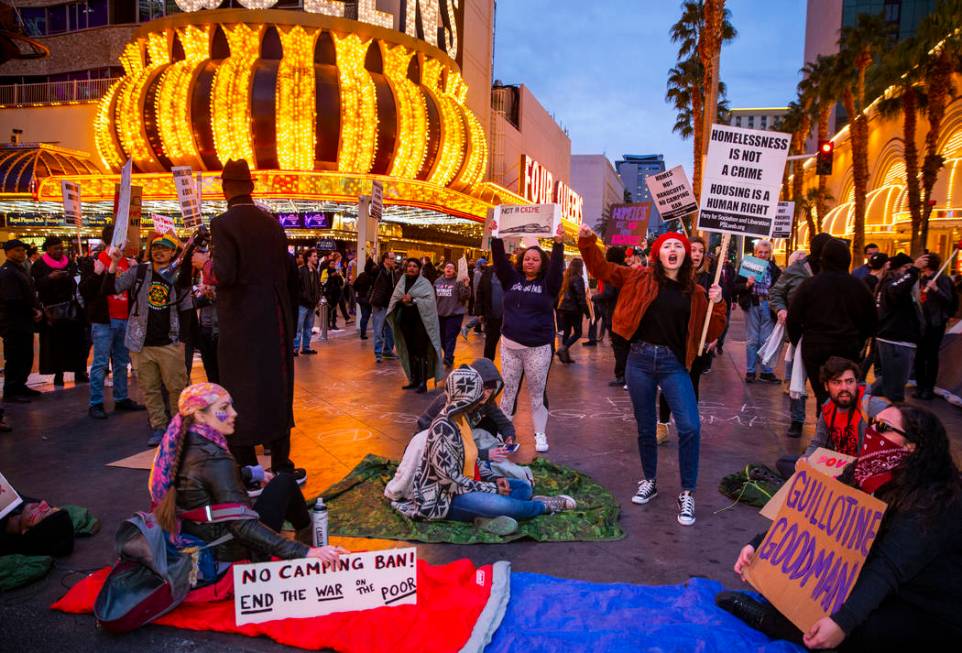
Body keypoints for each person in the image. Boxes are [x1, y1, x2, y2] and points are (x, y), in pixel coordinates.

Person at [720, 403, 962, 651]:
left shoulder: (936, 500)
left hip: (924, 607)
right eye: (872, 423)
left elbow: (889, 566)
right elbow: (814, 517)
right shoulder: (865, 470)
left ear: (912, 446)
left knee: (860, 629)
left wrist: (844, 622)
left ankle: (769, 622)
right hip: (879, 582)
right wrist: (760, 544)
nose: (871, 432)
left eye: (883, 427)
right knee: (804, 589)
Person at [579, 225, 725, 526]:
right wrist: (586, 240)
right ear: (658, 253)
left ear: (687, 256)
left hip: (674, 365)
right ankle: (649, 480)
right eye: (667, 246)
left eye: (679, 246)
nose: (673, 250)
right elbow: (601, 268)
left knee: (690, 427)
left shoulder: (697, 293)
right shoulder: (638, 277)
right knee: (646, 428)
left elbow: (710, 332)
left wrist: (718, 303)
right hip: (640, 361)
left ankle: (687, 492)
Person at [149, 383, 346, 567]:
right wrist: (304, 552)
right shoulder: (214, 458)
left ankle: (307, 535)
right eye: (224, 408)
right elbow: (242, 526)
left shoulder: (177, 442)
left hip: (196, 533)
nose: (234, 413)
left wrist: (250, 473)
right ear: (200, 415)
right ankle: (311, 543)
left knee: (282, 482)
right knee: (285, 481)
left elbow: (200, 480)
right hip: (224, 547)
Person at [202, 159, 304, 482]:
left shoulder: (222, 224)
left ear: (223, 188)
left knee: (239, 391)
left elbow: (225, 273)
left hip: (240, 327)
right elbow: (291, 278)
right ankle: (283, 466)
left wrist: (204, 265)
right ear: (252, 186)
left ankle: (250, 469)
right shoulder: (273, 224)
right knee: (277, 388)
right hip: (275, 322)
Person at [391, 367, 575, 535]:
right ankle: (542, 506)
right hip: (445, 499)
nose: (483, 397)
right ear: (467, 396)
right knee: (506, 504)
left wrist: (493, 479)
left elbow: (473, 458)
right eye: (478, 394)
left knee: (523, 488)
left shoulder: (461, 419)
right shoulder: (442, 428)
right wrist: (492, 488)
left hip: (469, 486)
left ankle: (484, 517)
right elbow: (451, 480)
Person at [105, 233, 193, 446]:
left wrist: (184, 342)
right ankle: (159, 427)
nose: (159, 251)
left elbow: (187, 310)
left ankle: (178, 427)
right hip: (140, 342)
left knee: (177, 388)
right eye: (155, 247)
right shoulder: (139, 272)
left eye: (165, 248)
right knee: (150, 389)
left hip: (169, 342)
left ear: (173, 253)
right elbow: (110, 288)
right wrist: (114, 262)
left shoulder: (178, 276)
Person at [490, 223, 566, 454]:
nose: (530, 262)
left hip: (538, 348)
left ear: (542, 263)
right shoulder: (511, 280)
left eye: (535, 259)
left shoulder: (548, 285)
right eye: (526, 258)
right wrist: (495, 236)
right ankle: (505, 433)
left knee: (537, 392)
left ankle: (540, 433)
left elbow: (556, 271)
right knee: (508, 391)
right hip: (510, 345)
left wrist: (558, 243)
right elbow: (501, 263)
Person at [787, 237, 877, 412]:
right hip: (847, 348)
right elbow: (872, 321)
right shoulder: (859, 286)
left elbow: (793, 319)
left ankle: (826, 427)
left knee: (823, 394)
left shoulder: (810, 285)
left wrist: (801, 342)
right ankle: (833, 429)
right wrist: (859, 342)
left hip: (815, 348)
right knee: (840, 396)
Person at [773, 356, 887, 478]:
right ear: (827, 386)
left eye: (849, 381)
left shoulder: (872, 406)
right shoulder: (828, 408)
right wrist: (805, 459)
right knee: (786, 463)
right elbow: (817, 443)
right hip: (838, 467)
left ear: (856, 382)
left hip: (863, 473)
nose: (844, 388)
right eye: (836, 382)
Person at [769, 233, 832, 438]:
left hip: (825, 334)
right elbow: (776, 292)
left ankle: (824, 422)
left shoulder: (832, 271)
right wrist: (781, 310)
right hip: (800, 334)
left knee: (826, 382)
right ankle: (797, 420)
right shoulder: (795, 269)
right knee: (796, 378)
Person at [79, 225, 145, 419]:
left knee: (121, 361)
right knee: (100, 362)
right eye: (125, 238)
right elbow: (85, 290)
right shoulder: (95, 261)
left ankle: (121, 397)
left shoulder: (128, 262)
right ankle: (96, 403)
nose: (128, 242)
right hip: (103, 320)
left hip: (124, 318)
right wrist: (97, 273)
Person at [656, 236, 715, 445]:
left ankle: (689, 427)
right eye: (694, 250)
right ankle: (662, 424)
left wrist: (715, 335)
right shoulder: (675, 275)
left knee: (692, 385)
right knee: (667, 385)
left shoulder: (712, 279)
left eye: (701, 250)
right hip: (675, 341)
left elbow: (717, 312)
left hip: (698, 343)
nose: (697, 254)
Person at [32, 236, 87, 387]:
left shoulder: (68, 262)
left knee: (76, 342)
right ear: (48, 249)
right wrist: (50, 278)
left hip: (70, 308)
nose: (59, 251)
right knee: (55, 344)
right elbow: (36, 285)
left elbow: (76, 281)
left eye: (61, 248)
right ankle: (58, 374)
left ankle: (79, 371)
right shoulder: (39, 265)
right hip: (52, 310)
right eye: (56, 248)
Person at [872, 252, 927, 403]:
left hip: (896, 341)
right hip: (895, 343)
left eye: (910, 267)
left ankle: (866, 402)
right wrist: (914, 269)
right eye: (906, 267)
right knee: (894, 390)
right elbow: (897, 288)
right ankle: (890, 422)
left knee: (888, 382)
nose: (908, 271)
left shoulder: (890, 283)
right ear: (896, 269)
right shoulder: (891, 283)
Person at [387, 258, 443, 393]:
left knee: (421, 352)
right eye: (409, 266)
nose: (411, 268)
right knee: (410, 351)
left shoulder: (425, 283)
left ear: (419, 269)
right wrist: (402, 300)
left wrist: (413, 299)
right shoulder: (402, 281)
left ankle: (423, 382)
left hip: (421, 323)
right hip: (406, 322)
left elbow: (430, 302)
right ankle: (414, 380)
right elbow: (395, 298)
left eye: (414, 266)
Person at [0, 239, 42, 403]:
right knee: (15, 356)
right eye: (17, 250)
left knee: (25, 355)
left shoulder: (20, 269)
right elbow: (13, 299)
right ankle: (11, 390)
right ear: (7, 252)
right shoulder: (7, 272)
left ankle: (20, 385)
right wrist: (33, 311)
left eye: (22, 250)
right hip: (13, 322)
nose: (21, 253)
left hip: (23, 321)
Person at [734, 239, 781, 384]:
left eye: (766, 252)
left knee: (766, 339)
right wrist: (747, 284)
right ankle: (751, 371)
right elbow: (735, 287)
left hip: (768, 304)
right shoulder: (747, 266)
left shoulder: (774, 269)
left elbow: (780, 288)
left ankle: (766, 372)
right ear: (755, 253)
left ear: (770, 254)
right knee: (752, 339)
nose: (763, 255)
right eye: (760, 252)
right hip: (753, 303)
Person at [913, 253, 955, 400]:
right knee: (919, 356)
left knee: (931, 356)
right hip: (921, 322)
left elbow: (948, 300)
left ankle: (928, 388)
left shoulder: (942, 278)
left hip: (935, 323)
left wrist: (936, 289)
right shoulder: (921, 278)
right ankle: (919, 386)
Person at [0, 492, 75, 558]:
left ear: (28, 532)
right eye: (50, 508)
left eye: (44, 513)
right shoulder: (19, 505)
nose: (43, 503)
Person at [434, 261, 471, 367]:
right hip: (440, 314)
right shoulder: (437, 281)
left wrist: (466, 285)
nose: (449, 269)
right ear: (444, 269)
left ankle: (448, 358)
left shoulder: (458, 281)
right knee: (441, 338)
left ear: (455, 270)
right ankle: (449, 355)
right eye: (447, 267)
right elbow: (433, 297)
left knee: (450, 337)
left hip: (455, 314)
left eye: (451, 267)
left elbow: (466, 296)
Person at [191, 245, 219, 383]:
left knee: (219, 374)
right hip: (205, 328)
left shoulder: (219, 270)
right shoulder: (205, 270)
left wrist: (208, 294)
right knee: (211, 374)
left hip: (218, 331)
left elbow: (216, 295)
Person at [556, 258, 589, 365]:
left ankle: (565, 356)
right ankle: (564, 348)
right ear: (580, 267)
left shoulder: (567, 277)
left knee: (567, 332)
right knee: (578, 332)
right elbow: (581, 297)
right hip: (574, 310)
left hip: (563, 309)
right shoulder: (578, 279)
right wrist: (587, 312)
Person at [369, 251, 401, 363]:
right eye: (391, 259)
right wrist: (371, 255)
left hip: (390, 305)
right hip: (379, 305)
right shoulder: (378, 270)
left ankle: (387, 350)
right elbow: (369, 269)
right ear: (385, 259)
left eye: (394, 259)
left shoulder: (393, 272)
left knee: (391, 329)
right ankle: (378, 353)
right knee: (378, 330)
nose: (393, 261)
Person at [475, 260, 504, 361]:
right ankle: (488, 365)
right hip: (492, 315)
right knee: (490, 343)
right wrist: (479, 312)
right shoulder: (488, 271)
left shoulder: (512, 271)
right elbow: (480, 292)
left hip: (509, 317)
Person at [293, 248, 321, 355]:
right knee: (299, 327)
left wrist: (317, 298)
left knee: (309, 327)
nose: (316, 258)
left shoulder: (315, 271)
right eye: (314, 256)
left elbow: (318, 286)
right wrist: (304, 297)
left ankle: (306, 347)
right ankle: (295, 348)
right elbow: (297, 288)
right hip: (303, 304)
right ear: (308, 257)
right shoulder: (301, 271)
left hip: (311, 304)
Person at [352, 258, 376, 340]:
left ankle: (363, 333)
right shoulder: (373, 277)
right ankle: (364, 334)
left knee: (364, 316)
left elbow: (354, 286)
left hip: (361, 298)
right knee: (367, 316)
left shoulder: (362, 275)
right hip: (368, 299)